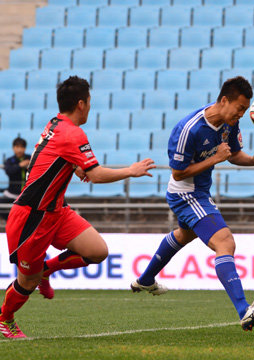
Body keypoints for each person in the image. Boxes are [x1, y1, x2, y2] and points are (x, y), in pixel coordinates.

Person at [0, 76, 156, 339]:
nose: (90, 107)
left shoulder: (55, 123)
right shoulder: (72, 133)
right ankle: (5, 319)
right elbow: (95, 175)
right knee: (27, 280)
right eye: (90, 102)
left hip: (56, 211)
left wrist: (74, 165)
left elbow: (50, 155)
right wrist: (131, 170)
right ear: (82, 104)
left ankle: (48, 269)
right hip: (31, 217)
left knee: (97, 251)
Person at [131, 76, 254, 331]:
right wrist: (214, 159)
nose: (242, 114)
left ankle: (145, 279)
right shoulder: (189, 130)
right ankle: (244, 310)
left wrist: (253, 160)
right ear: (223, 100)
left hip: (199, 191)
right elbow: (178, 172)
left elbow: (232, 154)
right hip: (186, 193)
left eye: (245, 109)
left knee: (184, 235)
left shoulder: (229, 123)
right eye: (240, 108)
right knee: (225, 241)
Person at [0, 138, 31, 220]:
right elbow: (9, 171)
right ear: (13, 148)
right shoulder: (10, 160)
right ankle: (11, 221)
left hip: (27, 194)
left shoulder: (30, 159)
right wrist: (20, 165)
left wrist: (29, 165)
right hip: (12, 193)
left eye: (22, 147)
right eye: (17, 147)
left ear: (25, 148)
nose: (19, 150)